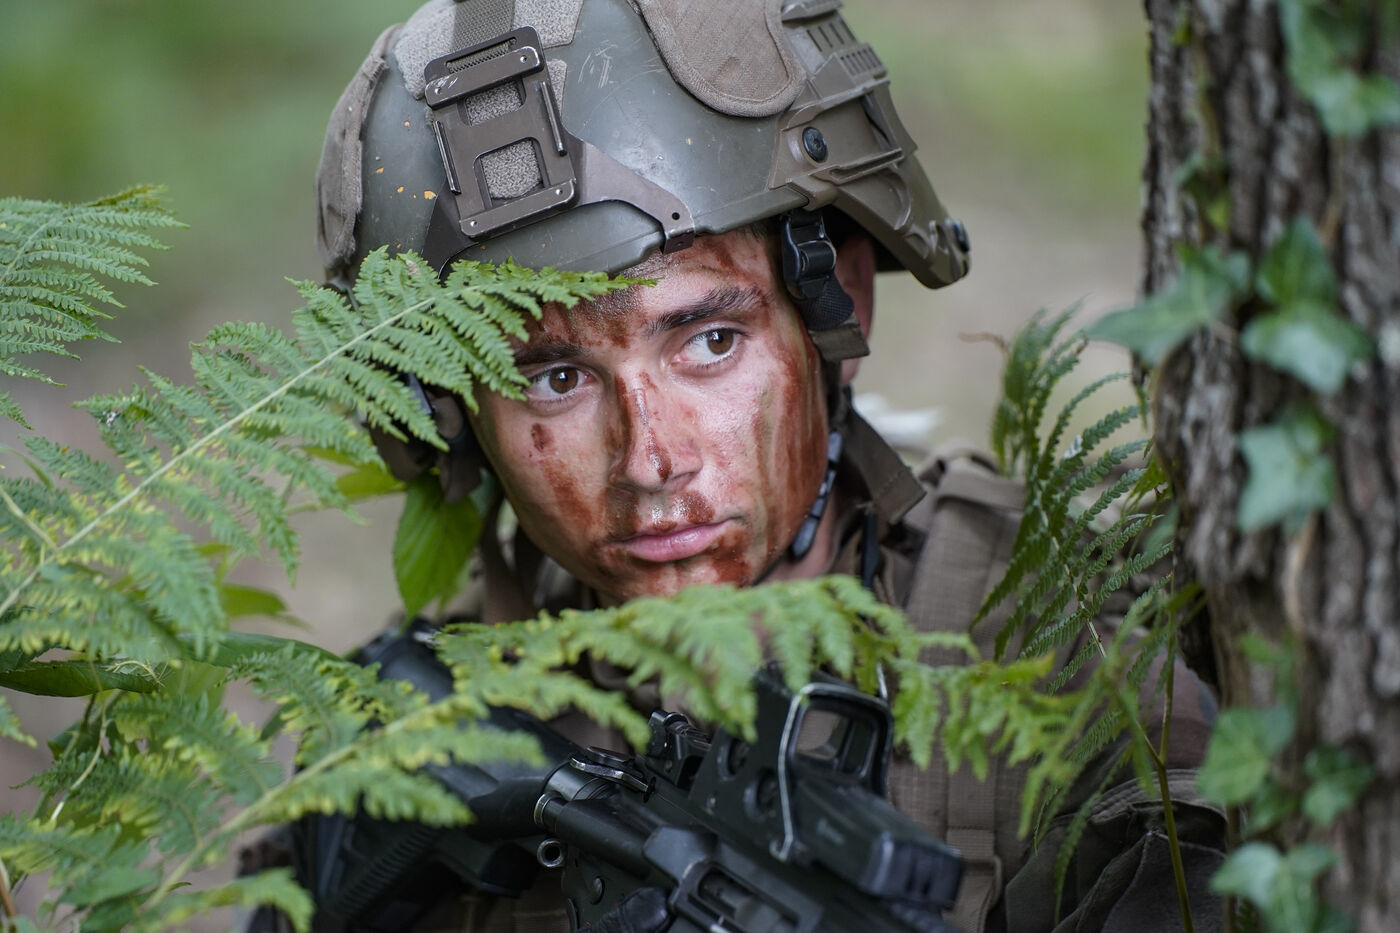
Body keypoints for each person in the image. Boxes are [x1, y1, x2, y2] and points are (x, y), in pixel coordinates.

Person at [292, 0, 1229, 929]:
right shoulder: (431, 709)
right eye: (556, 378)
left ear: (838, 306)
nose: (651, 461)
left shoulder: (1084, 664)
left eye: (708, 342)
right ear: (455, 413)